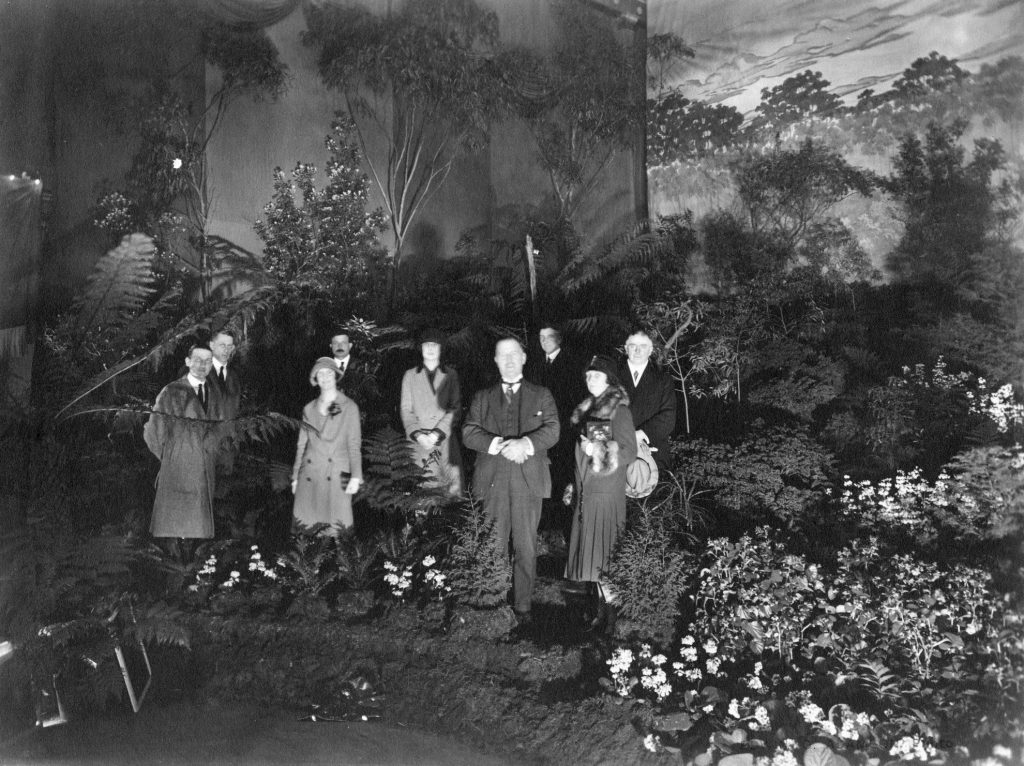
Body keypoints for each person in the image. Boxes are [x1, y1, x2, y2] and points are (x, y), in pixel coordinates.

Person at [462, 338, 559, 624]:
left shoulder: (542, 394)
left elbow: (553, 429)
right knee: (493, 542)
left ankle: (523, 607)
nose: (509, 360)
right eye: (502, 355)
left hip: (528, 480)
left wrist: (525, 444)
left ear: (524, 358)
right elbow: (468, 432)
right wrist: (498, 444)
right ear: (495, 360)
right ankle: (494, 601)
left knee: (526, 545)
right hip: (493, 479)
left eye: (514, 354)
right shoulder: (482, 397)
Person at [565, 355, 637, 633]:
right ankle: (599, 611)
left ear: (609, 380)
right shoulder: (587, 410)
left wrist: (598, 450)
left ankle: (612, 619)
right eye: (588, 375)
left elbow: (629, 451)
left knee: (606, 557)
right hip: (587, 492)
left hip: (606, 494)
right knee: (594, 558)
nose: (589, 379)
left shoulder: (620, 411)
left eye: (596, 375)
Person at [143, 343, 220, 548]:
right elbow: (152, 433)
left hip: (203, 476)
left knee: (199, 541)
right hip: (178, 474)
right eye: (198, 359)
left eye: (207, 360)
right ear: (187, 362)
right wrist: (173, 457)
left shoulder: (213, 393)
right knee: (174, 539)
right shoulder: (171, 391)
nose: (203, 364)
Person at [291, 357, 363, 533]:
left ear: (336, 376)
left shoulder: (349, 407)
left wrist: (356, 476)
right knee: (307, 532)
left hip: (338, 473)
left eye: (329, 372)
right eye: (320, 373)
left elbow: (354, 444)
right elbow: (302, 444)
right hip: (310, 473)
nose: (325, 377)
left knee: (339, 530)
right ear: (315, 378)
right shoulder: (308, 409)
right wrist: (295, 477)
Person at [527, 324, 582, 540]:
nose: (544, 341)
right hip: (541, 431)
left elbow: (575, 398)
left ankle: (563, 530)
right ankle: (546, 528)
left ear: (558, 339)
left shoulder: (571, 363)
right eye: (540, 337)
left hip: (563, 430)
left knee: (562, 477)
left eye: (548, 337)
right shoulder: (537, 364)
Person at [399, 328, 462, 494]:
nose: (431, 348)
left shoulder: (451, 375)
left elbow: (455, 408)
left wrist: (435, 434)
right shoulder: (410, 376)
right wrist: (418, 435)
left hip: (444, 441)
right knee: (419, 494)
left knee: (446, 495)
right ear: (421, 348)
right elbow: (406, 409)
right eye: (427, 345)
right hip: (417, 443)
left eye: (435, 345)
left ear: (441, 348)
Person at [618, 330, 676, 471]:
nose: (638, 350)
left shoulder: (663, 379)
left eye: (643, 346)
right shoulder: (610, 376)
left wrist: (641, 434)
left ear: (650, 350)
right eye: (633, 345)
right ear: (626, 349)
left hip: (652, 454)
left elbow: (668, 416)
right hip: (618, 452)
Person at [207, 330, 241, 477]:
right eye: (222, 345)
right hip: (204, 449)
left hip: (227, 450)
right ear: (212, 345)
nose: (226, 350)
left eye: (230, 346)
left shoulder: (234, 377)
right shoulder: (198, 372)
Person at [329, 329, 376, 411]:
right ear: (331, 346)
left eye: (343, 343)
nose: (340, 346)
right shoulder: (323, 368)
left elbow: (372, 399)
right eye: (336, 343)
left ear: (350, 345)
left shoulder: (363, 367)